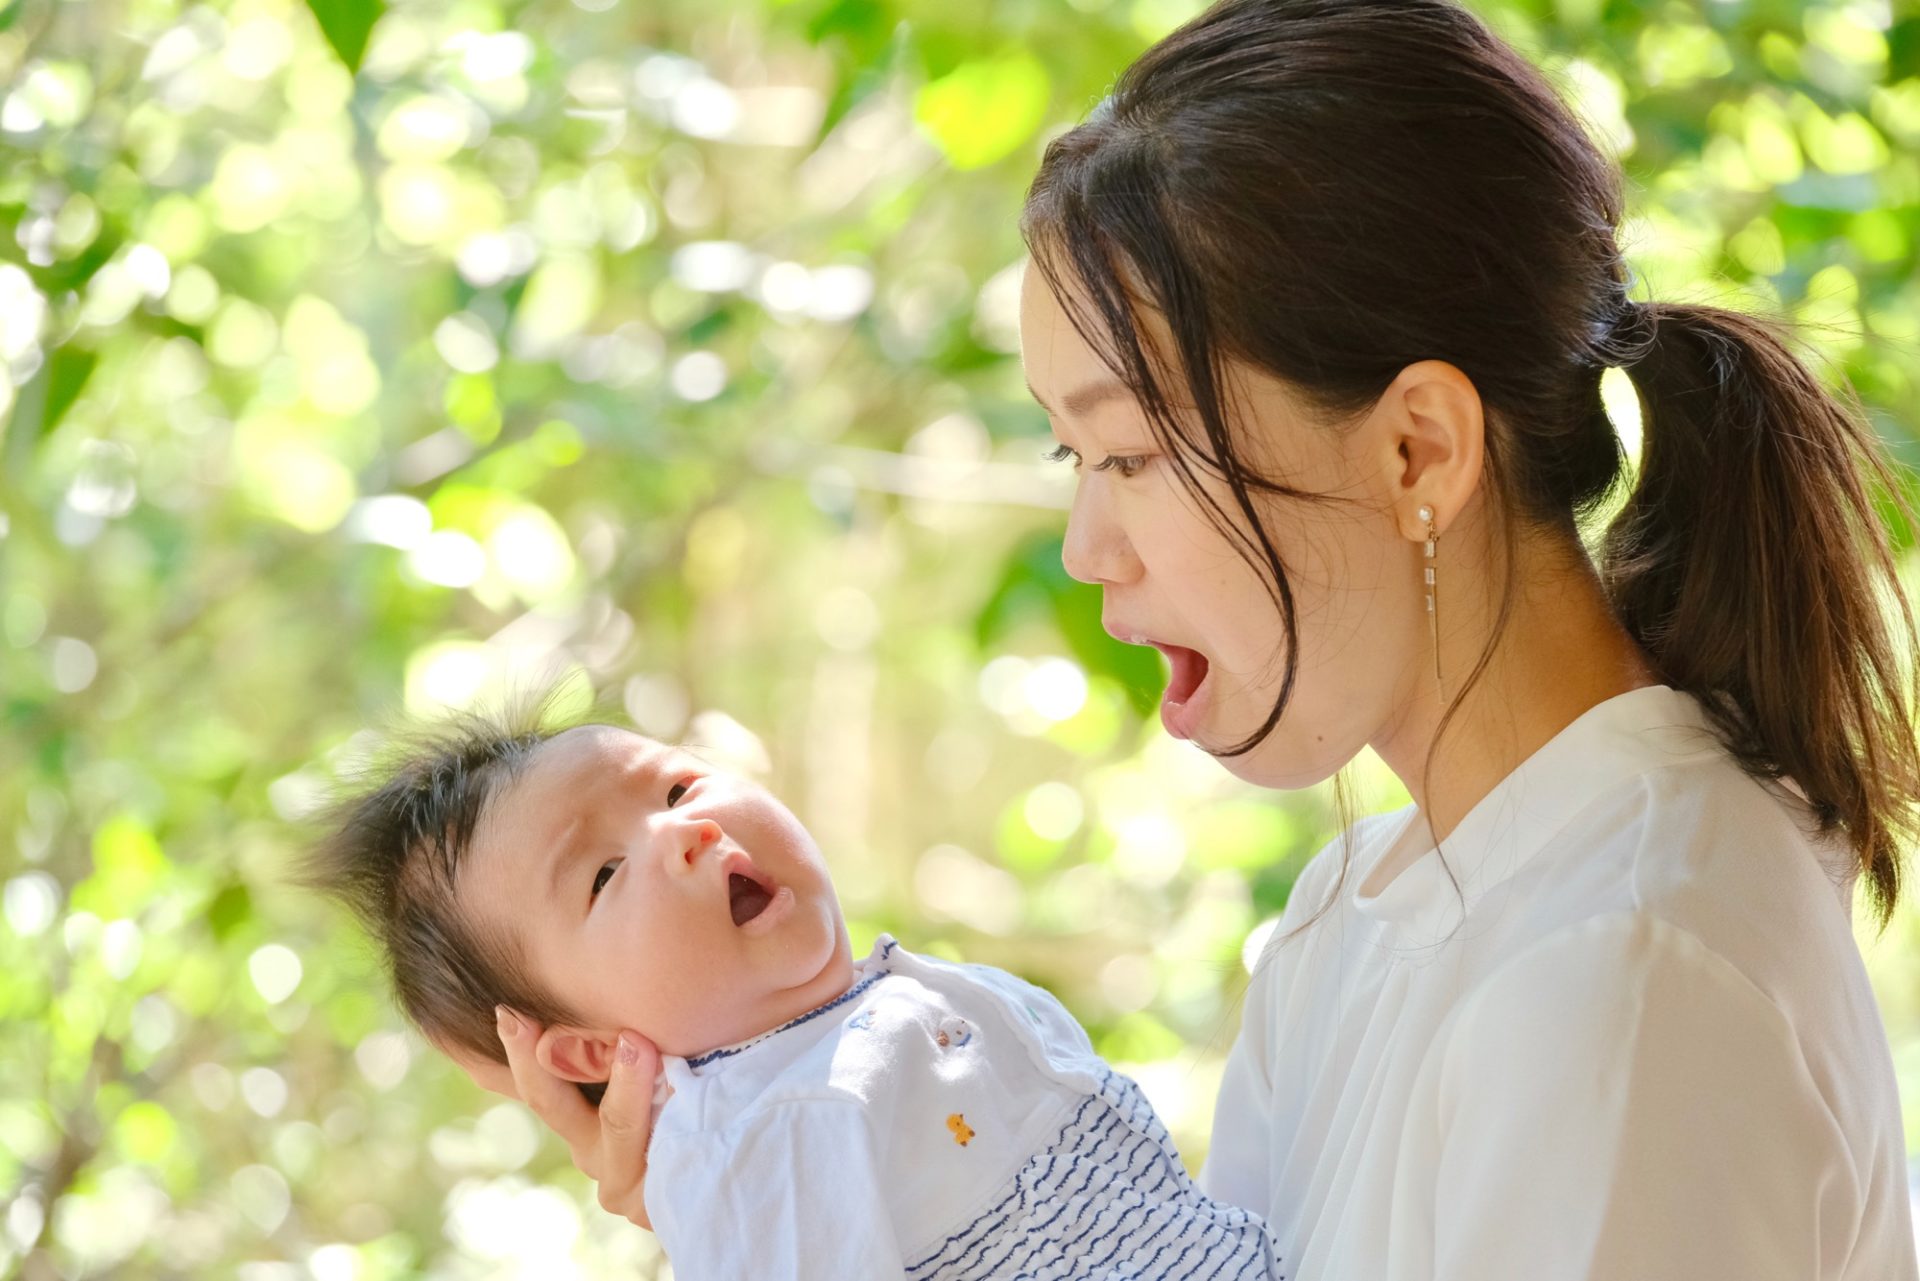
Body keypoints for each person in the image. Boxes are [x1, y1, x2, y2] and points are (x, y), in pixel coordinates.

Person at [452, 0, 1920, 1276]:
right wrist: (789, 1189)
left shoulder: (1620, 970)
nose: (1091, 550)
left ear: (1418, 450)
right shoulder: (1360, 919)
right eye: (1067, 461)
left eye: (1134, 456)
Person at [298, 712, 1290, 1279]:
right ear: (589, 1053)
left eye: (677, 788)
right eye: (601, 875)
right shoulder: (748, 1144)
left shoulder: (867, 1017)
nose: (684, 832)